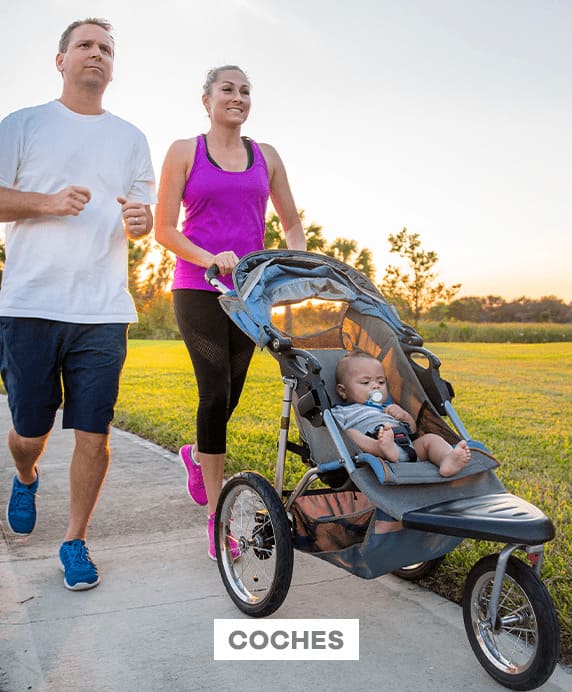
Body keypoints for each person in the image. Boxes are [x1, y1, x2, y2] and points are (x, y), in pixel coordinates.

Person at [0, 18, 156, 590]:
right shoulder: (22, 125)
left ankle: (75, 540)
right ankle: (25, 472)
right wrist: (48, 202)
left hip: (102, 309)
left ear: (112, 66)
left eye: (106, 48)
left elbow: (140, 214)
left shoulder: (131, 138)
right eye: (85, 45)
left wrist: (139, 222)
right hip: (29, 304)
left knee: (95, 431)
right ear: (60, 59)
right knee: (28, 428)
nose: (96, 54)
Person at [154, 65, 306, 560]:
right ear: (206, 99)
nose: (237, 97)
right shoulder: (184, 151)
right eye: (227, 89)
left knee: (231, 391)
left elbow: (290, 221)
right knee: (214, 386)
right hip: (198, 286)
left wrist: (294, 265)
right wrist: (208, 257)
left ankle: (197, 456)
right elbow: (164, 230)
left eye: (245, 91)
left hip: (249, 292)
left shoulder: (267, 155)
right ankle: (218, 518)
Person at [332, 350, 471, 477]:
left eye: (381, 381)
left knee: (431, 439)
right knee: (350, 433)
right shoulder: (343, 411)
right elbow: (330, 432)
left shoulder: (387, 408)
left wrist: (404, 416)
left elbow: (412, 430)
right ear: (342, 391)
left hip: (407, 448)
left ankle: (447, 460)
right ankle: (381, 448)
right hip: (374, 452)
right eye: (365, 382)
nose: (376, 386)